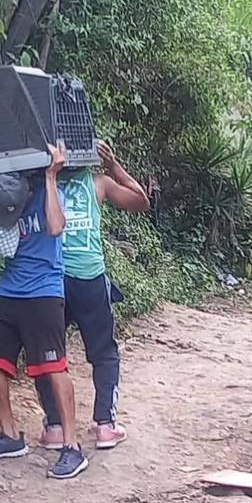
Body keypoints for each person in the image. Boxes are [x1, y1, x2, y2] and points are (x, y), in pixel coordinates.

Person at [0, 144, 89, 480]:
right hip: (9, 289)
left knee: (54, 368)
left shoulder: (43, 191)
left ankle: (72, 447)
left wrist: (51, 177)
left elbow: (55, 228)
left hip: (44, 291)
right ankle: (10, 436)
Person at [35, 140, 150, 451]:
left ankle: (55, 427)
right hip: (89, 278)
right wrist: (112, 164)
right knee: (104, 353)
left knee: (48, 354)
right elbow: (141, 201)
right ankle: (105, 425)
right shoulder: (99, 183)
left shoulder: (43, 179)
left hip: (52, 281)